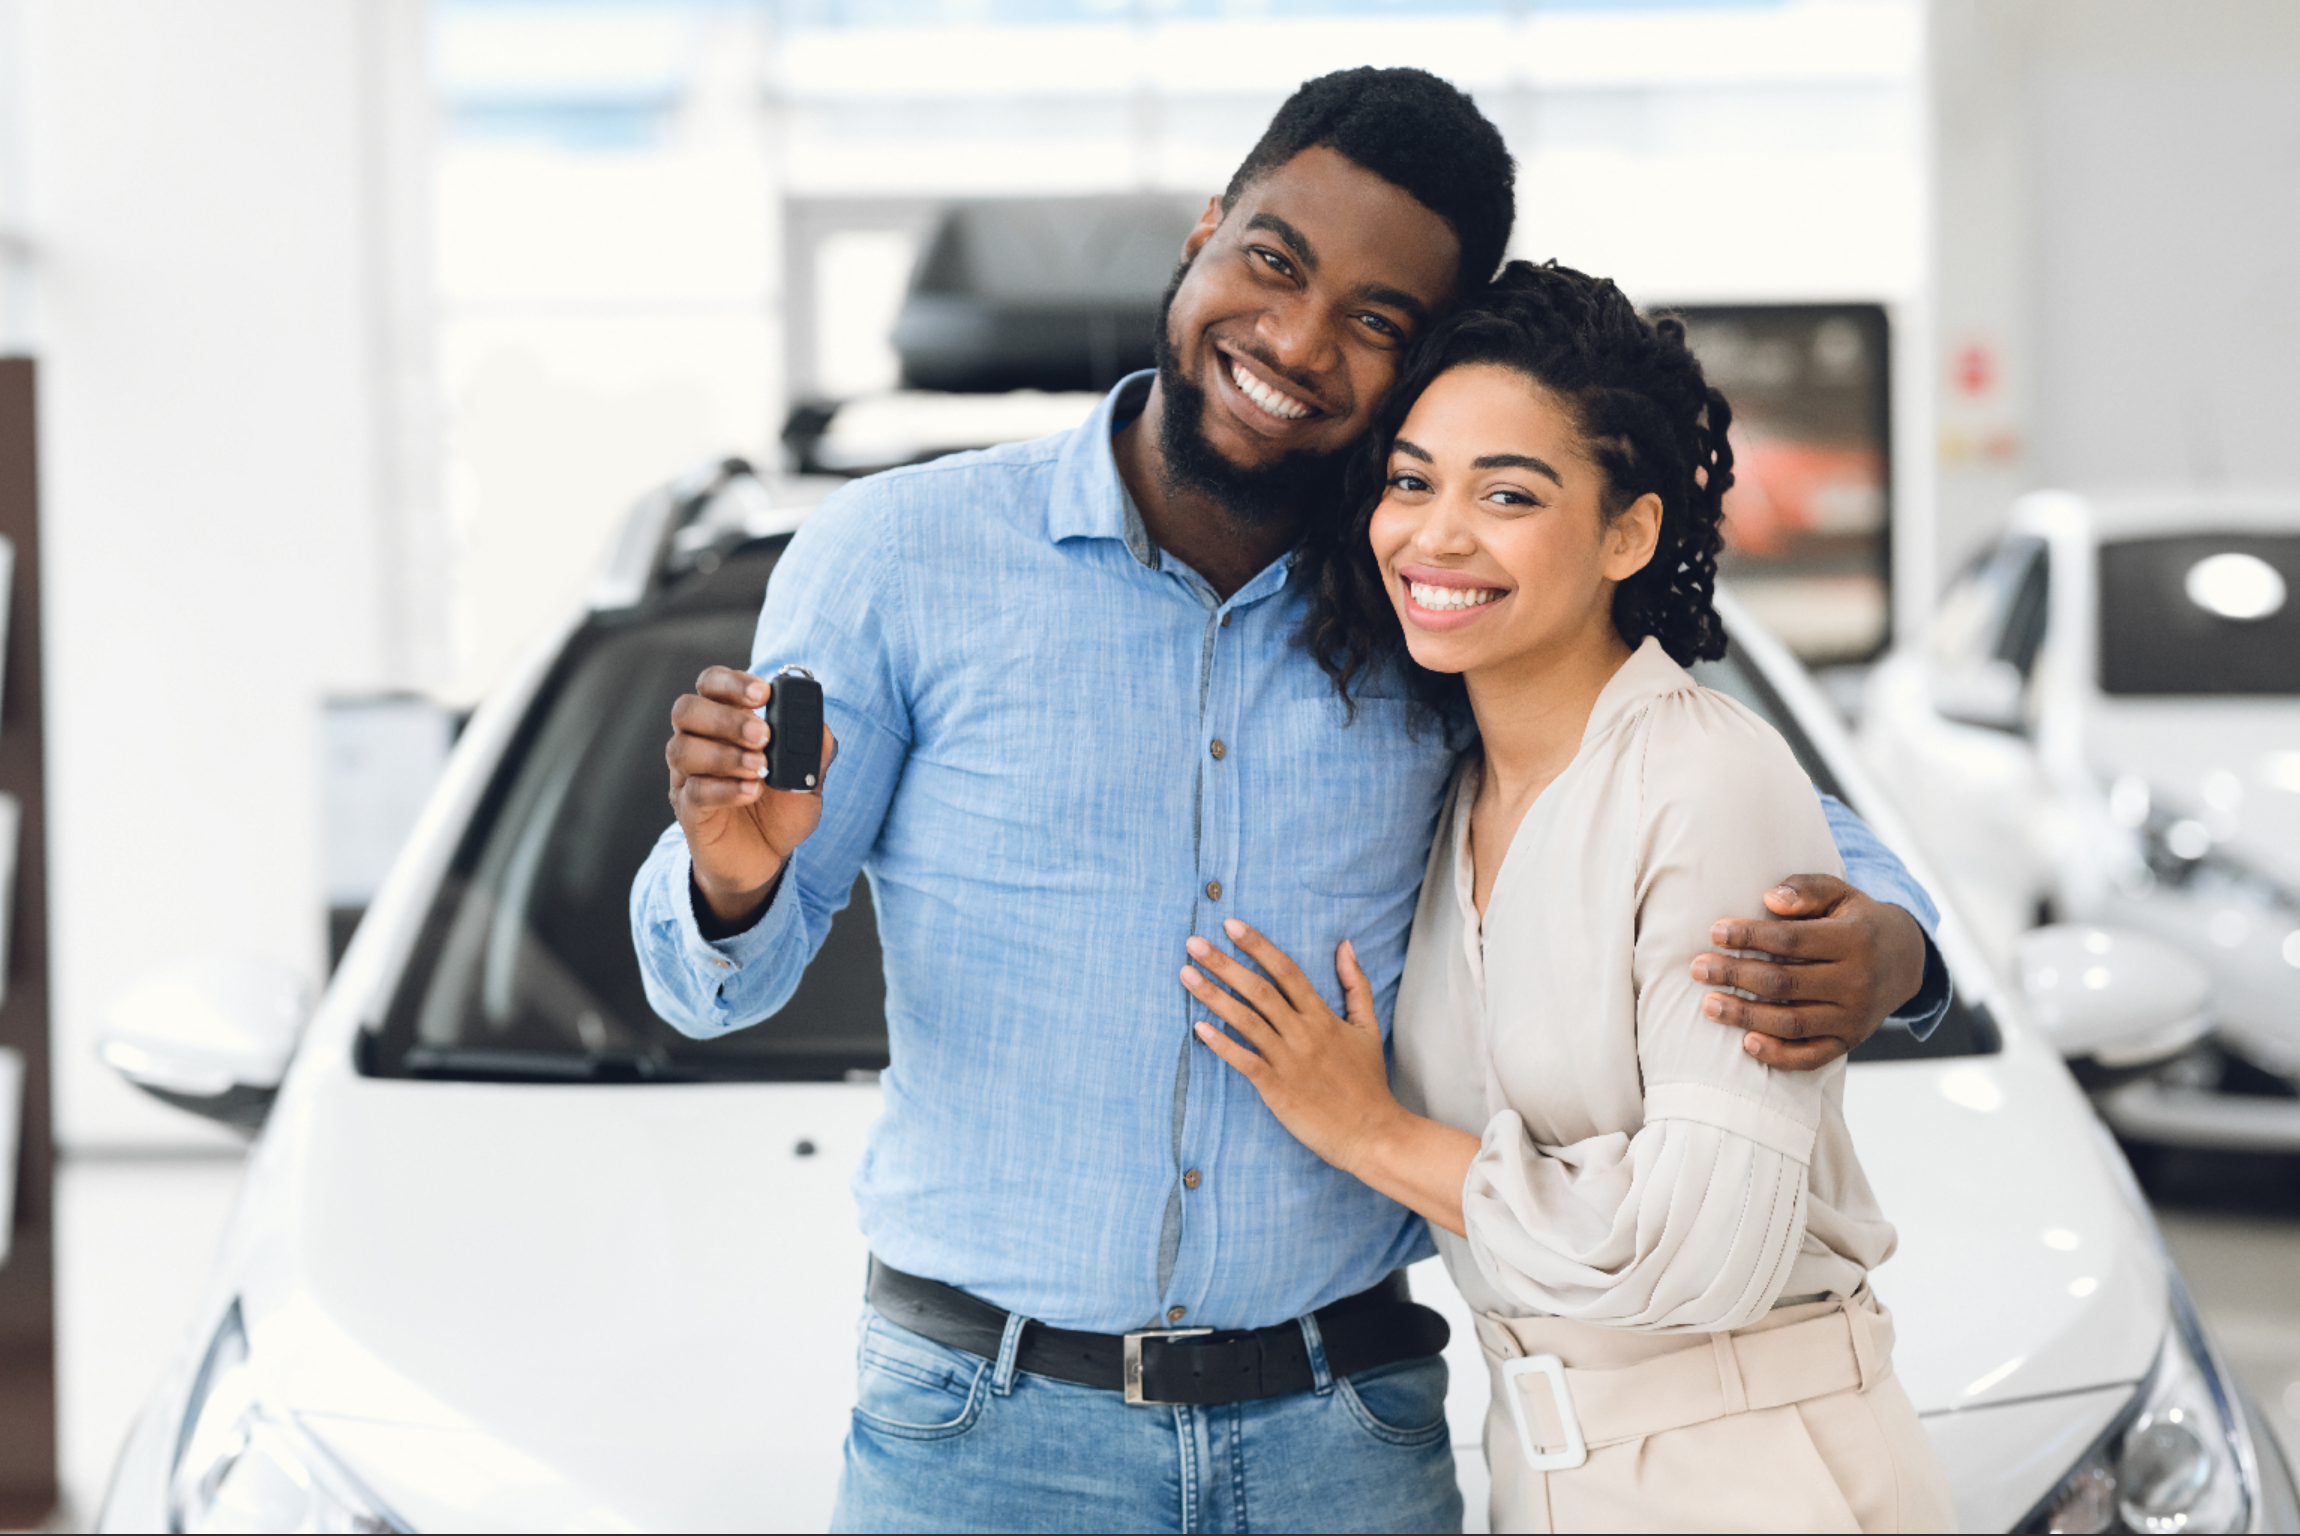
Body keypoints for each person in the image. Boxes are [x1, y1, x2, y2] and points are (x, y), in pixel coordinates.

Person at [631, 68, 1950, 1535]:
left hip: (1346, 1426)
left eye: (1379, 322)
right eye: (1274, 260)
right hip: (981, 1436)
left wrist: (1894, 945)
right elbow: (712, 990)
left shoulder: (1429, 592)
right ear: (1206, 235)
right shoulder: (895, 557)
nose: (1299, 341)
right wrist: (732, 886)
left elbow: (1704, 780)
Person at [1181, 261, 1958, 1533]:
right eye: (1410, 480)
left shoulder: (1700, 775)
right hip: (1541, 1470)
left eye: (1506, 495)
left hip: (1753, 1471)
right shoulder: (1449, 794)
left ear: (1626, 533)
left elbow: (1698, 1251)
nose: (1435, 535)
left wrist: (1368, 1130)